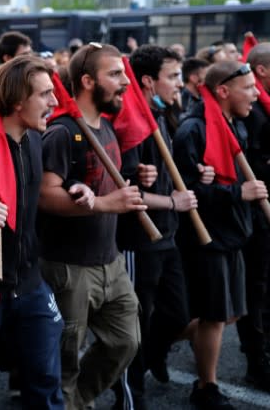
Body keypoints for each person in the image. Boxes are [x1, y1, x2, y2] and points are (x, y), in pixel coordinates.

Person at [38, 43, 143, 410]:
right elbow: (45, 195)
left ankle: (77, 400)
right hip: (69, 268)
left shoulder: (107, 127)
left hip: (110, 263)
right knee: (64, 360)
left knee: (125, 341)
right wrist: (101, 204)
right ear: (86, 81)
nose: (125, 82)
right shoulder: (62, 132)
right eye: (115, 74)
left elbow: (103, 183)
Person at [0, 56, 64, 409]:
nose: (54, 102)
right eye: (45, 94)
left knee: (47, 382)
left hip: (29, 282)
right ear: (18, 101)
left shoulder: (35, 139)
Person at [173, 59, 265, 408]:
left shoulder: (234, 125)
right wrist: (237, 193)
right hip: (208, 237)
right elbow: (187, 193)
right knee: (214, 314)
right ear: (223, 91)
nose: (255, 95)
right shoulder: (193, 130)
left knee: (229, 313)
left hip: (234, 233)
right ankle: (205, 386)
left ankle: (160, 338)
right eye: (249, 88)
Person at [114, 46, 199, 409]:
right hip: (140, 239)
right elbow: (126, 189)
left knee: (178, 313)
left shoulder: (163, 115)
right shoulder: (132, 118)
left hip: (169, 235)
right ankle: (131, 393)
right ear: (148, 81)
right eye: (173, 76)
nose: (180, 84)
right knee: (135, 319)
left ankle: (151, 358)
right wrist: (171, 202)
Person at [240, 42, 270, 392]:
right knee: (257, 289)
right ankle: (255, 359)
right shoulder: (254, 112)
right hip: (255, 217)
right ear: (261, 70)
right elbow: (247, 162)